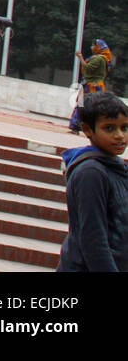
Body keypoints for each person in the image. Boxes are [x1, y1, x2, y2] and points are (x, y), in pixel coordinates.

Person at [57, 91, 128, 271]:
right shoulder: (91, 172)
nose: (120, 135)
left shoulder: (116, 166)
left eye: (125, 128)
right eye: (109, 128)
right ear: (88, 129)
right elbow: (93, 240)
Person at [71, 40, 114, 133]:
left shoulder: (99, 59)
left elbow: (87, 68)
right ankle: (76, 126)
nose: (92, 47)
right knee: (83, 105)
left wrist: (80, 57)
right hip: (91, 84)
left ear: (98, 47)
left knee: (89, 106)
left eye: (94, 45)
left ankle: (92, 128)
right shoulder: (101, 58)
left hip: (93, 86)